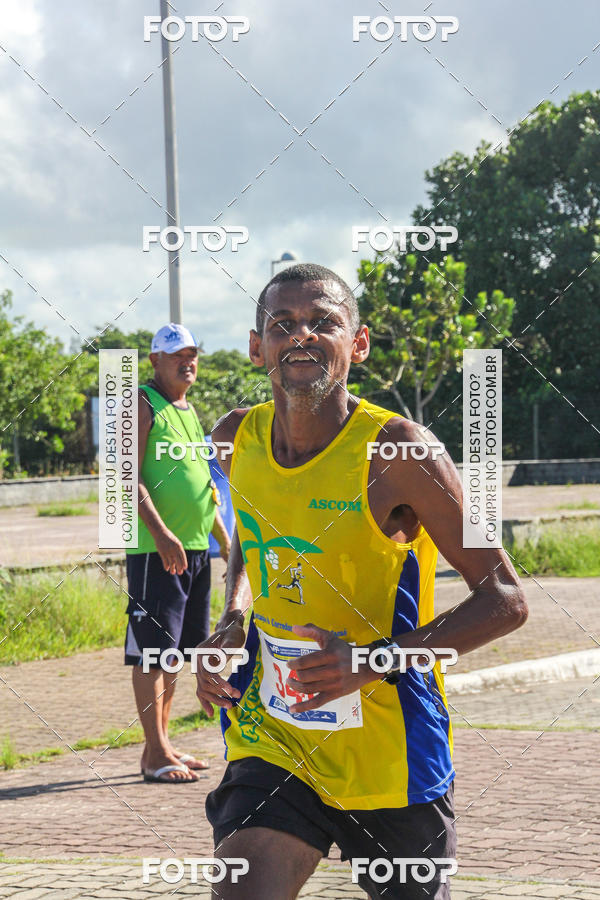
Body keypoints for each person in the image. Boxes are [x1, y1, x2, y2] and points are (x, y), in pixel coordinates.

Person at [196, 264, 528, 897]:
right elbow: (253, 537)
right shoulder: (235, 439)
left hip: (390, 745)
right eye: (283, 323)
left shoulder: (398, 453)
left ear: (359, 343)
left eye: (324, 322)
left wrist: (373, 661)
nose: (302, 336)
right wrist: (234, 620)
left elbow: (506, 599)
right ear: (255, 345)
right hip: (277, 735)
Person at [125, 323, 231, 784]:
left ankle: (162, 745)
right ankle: (155, 752)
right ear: (155, 361)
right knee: (152, 652)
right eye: (176, 355)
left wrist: (227, 542)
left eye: (192, 354)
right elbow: (128, 477)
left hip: (195, 549)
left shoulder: (186, 411)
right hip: (158, 549)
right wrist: (163, 534)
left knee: (173, 652)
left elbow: (203, 486)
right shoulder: (142, 402)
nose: (188, 361)